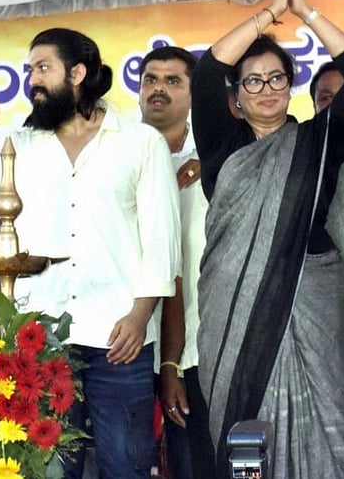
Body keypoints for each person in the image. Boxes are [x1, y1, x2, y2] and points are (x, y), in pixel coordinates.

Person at [0, 28, 180, 478]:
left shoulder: (140, 141)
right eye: (30, 69)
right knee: (47, 469)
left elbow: (162, 241)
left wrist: (140, 314)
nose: (33, 79)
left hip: (119, 339)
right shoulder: (20, 143)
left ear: (78, 73)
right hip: (41, 339)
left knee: (126, 467)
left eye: (42, 68)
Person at [193, 0, 344, 477]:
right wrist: (268, 13)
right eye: (253, 81)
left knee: (336, 423)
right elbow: (207, 71)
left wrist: (307, 13)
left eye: (278, 79)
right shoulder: (223, 147)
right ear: (236, 96)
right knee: (247, 435)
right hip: (235, 313)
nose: (267, 90)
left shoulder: (321, 139)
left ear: (292, 87)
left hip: (317, 304)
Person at [138, 45, 212, 479]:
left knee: (196, 463)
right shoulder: (119, 159)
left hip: (200, 346)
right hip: (129, 344)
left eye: (172, 81)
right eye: (150, 79)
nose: (158, 90)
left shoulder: (219, 160)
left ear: (193, 92)